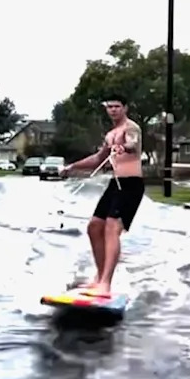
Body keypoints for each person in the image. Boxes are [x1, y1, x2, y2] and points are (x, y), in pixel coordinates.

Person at [61, 94, 145, 298]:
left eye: (117, 106)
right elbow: (98, 158)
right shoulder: (110, 134)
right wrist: (72, 167)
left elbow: (133, 144)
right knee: (94, 227)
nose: (113, 110)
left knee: (112, 228)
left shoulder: (131, 128)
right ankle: (99, 278)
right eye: (110, 107)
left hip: (131, 184)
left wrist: (124, 147)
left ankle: (106, 284)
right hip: (115, 184)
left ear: (125, 108)